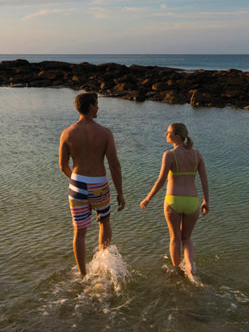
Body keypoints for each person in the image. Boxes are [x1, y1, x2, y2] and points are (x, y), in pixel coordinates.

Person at [58, 92, 125, 277]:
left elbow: (62, 165)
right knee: (104, 222)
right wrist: (120, 193)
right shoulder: (104, 133)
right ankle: (104, 267)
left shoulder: (67, 133)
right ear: (90, 106)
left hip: (77, 184)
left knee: (79, 232)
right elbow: (114, 164)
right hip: (99, 186)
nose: (98, 107)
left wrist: (76, 180)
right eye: (97, 104)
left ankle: (82, 274)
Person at [139, 123, 209, 276]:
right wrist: (206, 201)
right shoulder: (197, 154)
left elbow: (161, 181)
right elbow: (204, 180)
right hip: (192, 201)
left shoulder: (169, 155)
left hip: (173, 201)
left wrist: (148, 198)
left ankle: (177, 271)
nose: (166, 134)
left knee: (175, 238)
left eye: (168, 132)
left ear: (177, 136)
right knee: (187, 238)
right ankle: (190, 266)